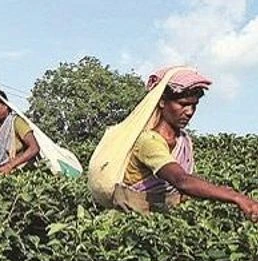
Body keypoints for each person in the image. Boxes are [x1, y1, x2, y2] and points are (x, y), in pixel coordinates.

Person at [91, 66, 258, 219]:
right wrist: (236, 197)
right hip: (133, 227)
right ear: (162, 101)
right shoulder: (149, 141)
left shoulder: (182, 140)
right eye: (183, 104)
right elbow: (182, 181)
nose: (189, 112)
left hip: (164, 221)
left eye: (194, 105)